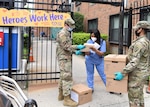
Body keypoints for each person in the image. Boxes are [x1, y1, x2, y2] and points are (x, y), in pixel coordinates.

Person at [114, 21, 150, 107]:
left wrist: (123, 73)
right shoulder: (146, 41)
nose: (135, 30)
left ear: (140, 29)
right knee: (139, 96)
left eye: (136, 29)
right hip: (142, 73)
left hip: (137, 75)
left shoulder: (140, 43)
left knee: (134, 99)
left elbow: (134, 61)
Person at [56, 17, 85, 106]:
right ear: (66, 25)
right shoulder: (63, 33)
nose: (72, 28)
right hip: (64, 58)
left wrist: (74, 51)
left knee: (62, 77)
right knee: (67, 78)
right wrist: (76, 47)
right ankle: (66, 99)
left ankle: (61, 95)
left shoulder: (66, 33)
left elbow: (66, 47)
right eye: (70, 26)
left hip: (65, 57)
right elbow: (66, 46)